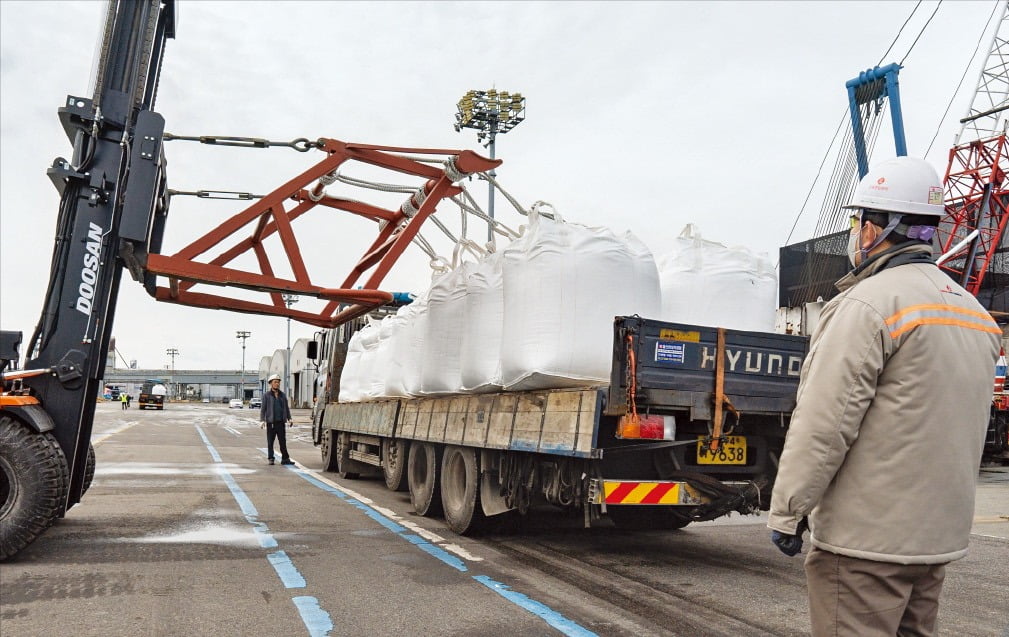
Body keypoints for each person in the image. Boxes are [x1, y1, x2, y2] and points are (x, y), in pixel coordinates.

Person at [768, 156, 1001, 637]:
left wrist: (789, 510)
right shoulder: (976, 316)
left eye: (857, 222)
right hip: (935, 542)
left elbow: (825, 424)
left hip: (864, 545)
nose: (856, 233)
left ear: (874, 230)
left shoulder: (866, 306)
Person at [260, 374, 294, 466]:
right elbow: (263, 409)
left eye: (278, 382)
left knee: (283, 442)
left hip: (280, 423)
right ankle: (271, 458)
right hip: (271, 423)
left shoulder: (282, 395)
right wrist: (262, 420)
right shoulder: (266, 395)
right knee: (270, 442)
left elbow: (286, 408)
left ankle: (285, 459)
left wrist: (289, 418)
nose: (277, 384)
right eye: (275, 382)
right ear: (271, 383)